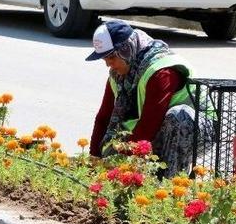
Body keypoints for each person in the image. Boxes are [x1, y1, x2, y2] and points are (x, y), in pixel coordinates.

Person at [87, 20, 212, 178]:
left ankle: (169, 184)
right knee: (112, 148)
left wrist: (126, 168)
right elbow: (103, 118)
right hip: (158, 127)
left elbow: (149, 125)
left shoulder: (161, 71)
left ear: (125, 50)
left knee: (177, 117)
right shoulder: (118, 75)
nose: (108, 65)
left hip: (195, 130)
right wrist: (94, 161)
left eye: (111, 57)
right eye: (105, 59)